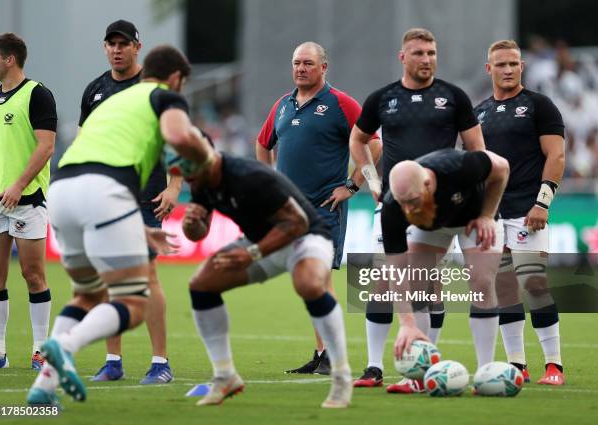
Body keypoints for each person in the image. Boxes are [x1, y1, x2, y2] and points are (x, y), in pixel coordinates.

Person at [26, 45, 210, 406]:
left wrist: (136, 229)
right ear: (175, 78)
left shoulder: (110, 100)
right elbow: (179, 138)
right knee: (133, 303)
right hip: (106, 191)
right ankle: (66, 345)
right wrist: (204, 160)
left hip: (63, 191)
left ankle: (44, 388)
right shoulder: (165, 97)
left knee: (88, 294)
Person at [348, 28, 486, 392]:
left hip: (441, 206)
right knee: (383, 281)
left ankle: (428, 364)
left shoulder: (454, 97)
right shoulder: (382, 98)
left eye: (431, 53)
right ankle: (374, 367)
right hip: (396, 205)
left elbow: (478, 151)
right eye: (419, 53)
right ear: (403, 57)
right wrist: (372, 182)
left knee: (426, 285)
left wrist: (477, 204)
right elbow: (358, 139)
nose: (426, 59)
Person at [182, 149, 353, 408]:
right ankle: (225, 375)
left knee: (309, 284)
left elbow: (296, 223)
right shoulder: (201, 181)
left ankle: (341, 375)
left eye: (190, 174)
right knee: (201, 285)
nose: (188, 180)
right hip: (260, 241)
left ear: (209, 162)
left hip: (305, 236)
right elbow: (198, 234)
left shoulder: (249, 175)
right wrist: (191, 224)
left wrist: (252, 253)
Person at [256, 41, 381, 374]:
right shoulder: (282, 105)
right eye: (296, 63)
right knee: (308, 281)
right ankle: (323, 352)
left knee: (319, 279)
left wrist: (353, 185)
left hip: (325, 207)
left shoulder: (342, 104)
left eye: (308, 63)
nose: (301, 69)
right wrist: (271, 183)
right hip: (290, 212)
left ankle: (333, 356)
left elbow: (374, 144)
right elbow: (262, 143)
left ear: (323, 67)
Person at [79, 19, 181, 385]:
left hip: (146, 198)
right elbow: (85, 144)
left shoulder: (153, 89)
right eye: (111, 43)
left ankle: (160, 363)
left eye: (124, 43)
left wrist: (174, 187)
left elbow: (177, 141)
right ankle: (112, 361)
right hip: (106, 199)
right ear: (105, 48)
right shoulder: (94, 91)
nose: (117, 49)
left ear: (138, 47)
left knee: (148, 276)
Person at [475, 39, 566, 385]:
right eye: (501, 64)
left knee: (535, 284)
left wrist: (543, 202)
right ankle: (517, 365)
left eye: (514, 63)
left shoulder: (540, 106)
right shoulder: (479, 112)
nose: (508, 69)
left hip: (529, 210)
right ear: (489, 69)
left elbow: (556, 156)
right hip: (493, 215)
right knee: (504, 288)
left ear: (522, 66)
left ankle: (554, 365)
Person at [383, 148, 510, 382]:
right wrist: (406, 324)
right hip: (432, 224)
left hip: (473, 218)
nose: (408, 210)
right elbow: (396, 270)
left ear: (428, 183)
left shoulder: (461, 167)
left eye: (412, 201)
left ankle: (486, 372)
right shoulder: (394, 207)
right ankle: (418, 375)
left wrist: (487, 215)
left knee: (481, 281)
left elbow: (501, 167)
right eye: (404, 204)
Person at [0, 33, 57, 370]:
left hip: (28, 199)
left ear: (9, 59)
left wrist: (18, 184)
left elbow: (46, 147)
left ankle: (41, 349)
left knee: (33, 275)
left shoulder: (37, 95)